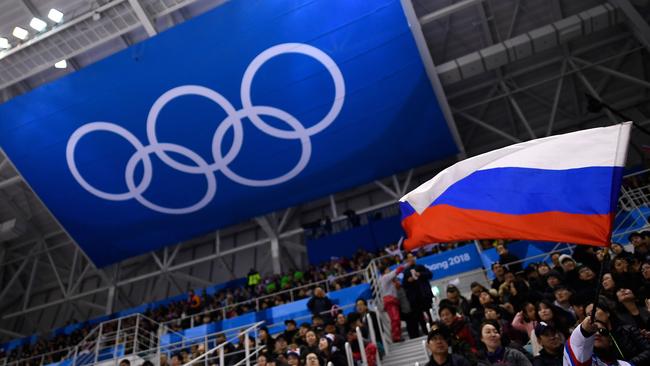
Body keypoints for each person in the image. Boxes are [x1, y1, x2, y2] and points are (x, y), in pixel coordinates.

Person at [563, 316, 632, 366]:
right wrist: (584, 330)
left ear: (610, 341)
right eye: (593, 331)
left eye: (602, 331)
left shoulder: (624, 364)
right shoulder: (580, 358)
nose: (597, 333)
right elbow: (577, 346)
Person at [402, 253, 434, 336]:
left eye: (412, 257)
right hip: (415, 299)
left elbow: (430, 275)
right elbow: (404, 285)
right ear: (407, 260)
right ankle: (426, 332)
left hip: (425, 295)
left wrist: (420, 274)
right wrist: (409, 281)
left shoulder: (420, 267)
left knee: (429, 313)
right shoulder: (406, 272)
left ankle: (434, 329)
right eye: (409, 258)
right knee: (420, 317)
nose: (411, 259)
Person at [379, 264, 404, 342]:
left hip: (392, 300)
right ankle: (396, 337)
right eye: (388, 270)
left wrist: (395, 281)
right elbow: (398, 270)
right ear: (385, 271)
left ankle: (398, 336)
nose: (389, 271)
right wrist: (406, 264)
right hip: (390, 301)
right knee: (395, 319)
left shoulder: (387, 279)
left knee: (396, 319)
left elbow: (398, 286)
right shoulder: (385, 277)